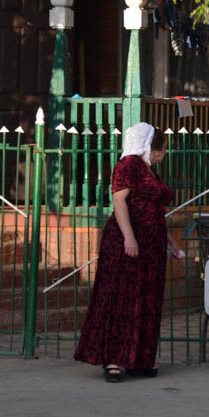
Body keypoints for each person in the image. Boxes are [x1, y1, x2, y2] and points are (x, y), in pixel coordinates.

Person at [74, 123, 185, 382]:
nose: (164, 154)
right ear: (151, 147)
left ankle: (139, 358)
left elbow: (155, 213)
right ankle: (113, 359)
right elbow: (119, 200)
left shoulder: (149, 170)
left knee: (146, 300)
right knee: (121, 297)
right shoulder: (128, 166)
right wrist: (129, 237)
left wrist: (171, 243)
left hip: (152, 245)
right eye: (163, 149)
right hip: (128, 241)